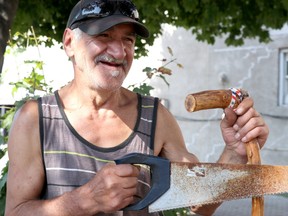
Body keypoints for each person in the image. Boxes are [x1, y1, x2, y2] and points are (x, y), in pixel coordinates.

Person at [5, 0, 269, 215]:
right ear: (69, 42)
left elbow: (199, 203)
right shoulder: (36, 118)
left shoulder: (156, 117)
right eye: (104, 35)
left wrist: (234, 154)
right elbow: (16, 212)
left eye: (128, 40)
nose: (119, 52)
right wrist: (86, 200)